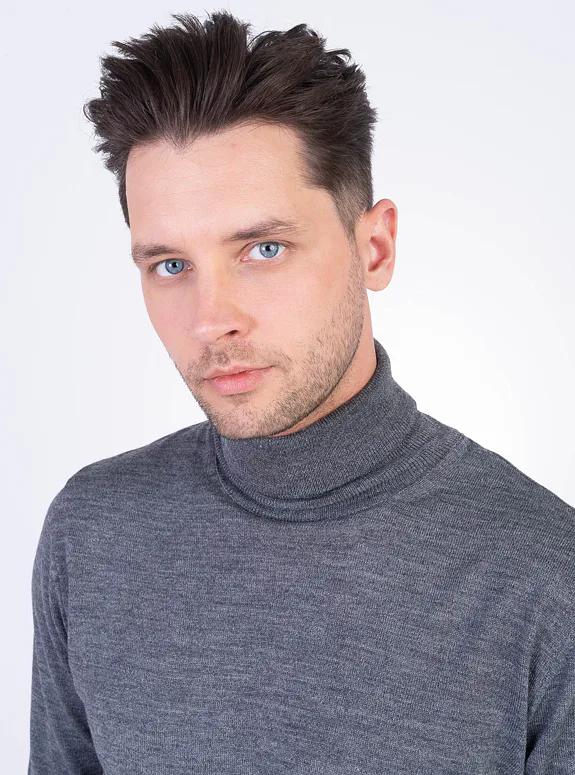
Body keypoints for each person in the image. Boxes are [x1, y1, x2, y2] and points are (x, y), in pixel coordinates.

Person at [28, 10, 574, 774]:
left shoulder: (542, 572)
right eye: (170, 265)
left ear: (373, 246)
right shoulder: (91, 533)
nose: (211, 320)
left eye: (263, 248)